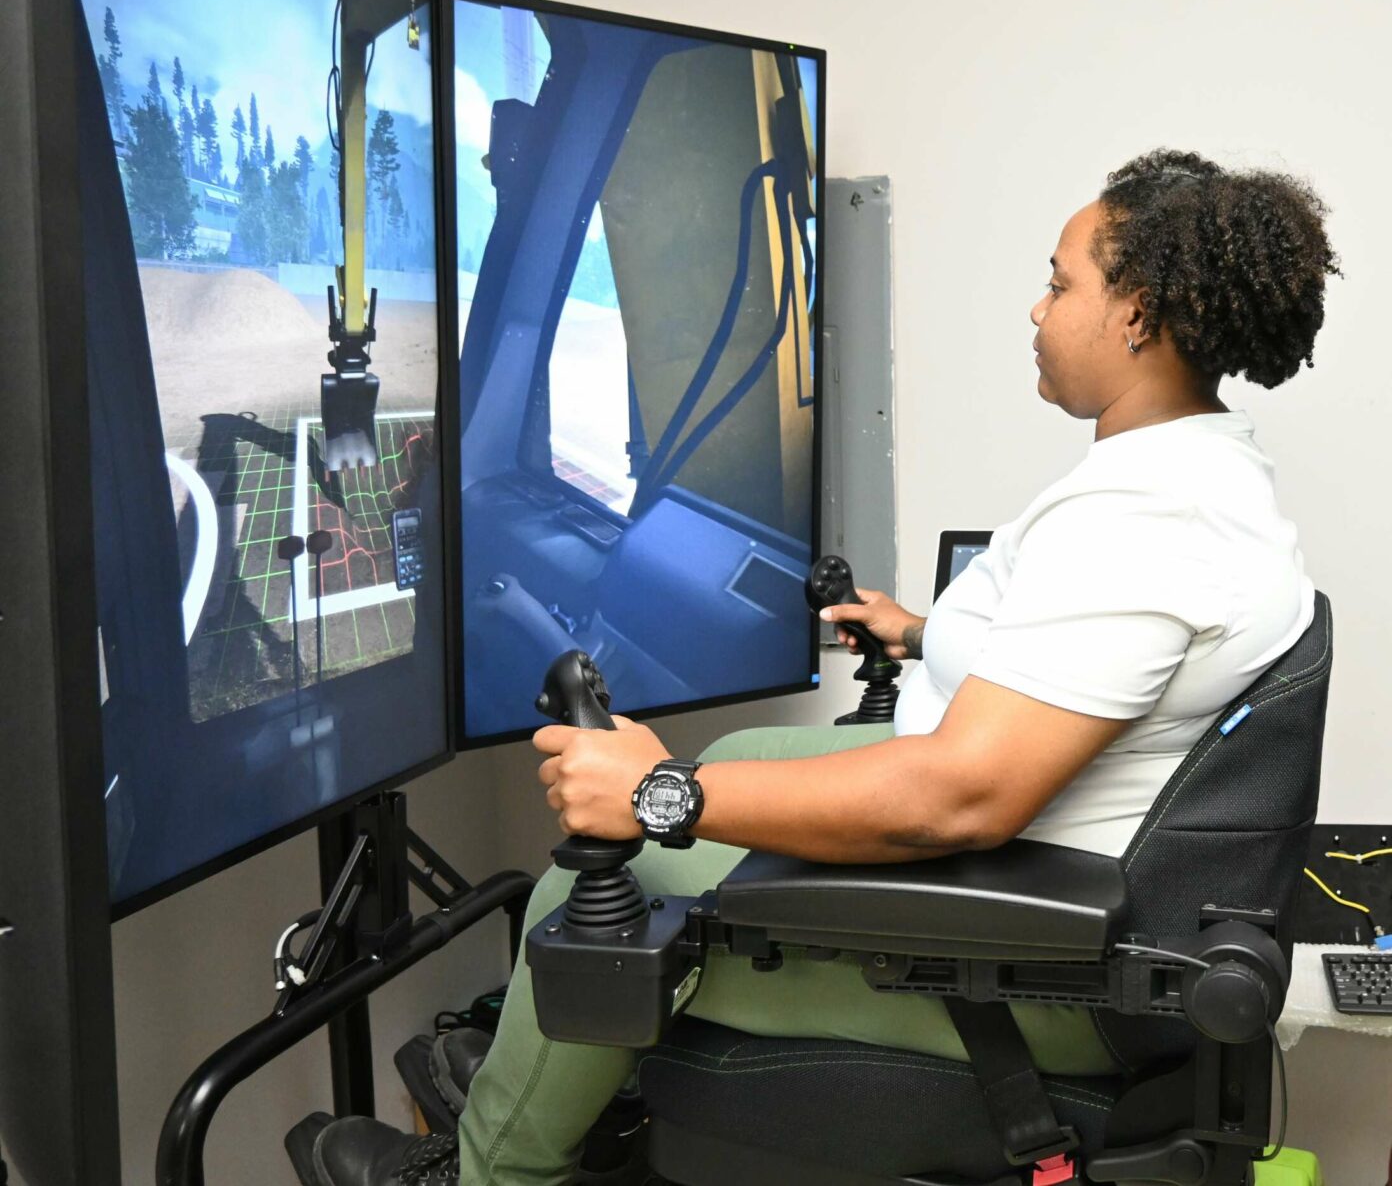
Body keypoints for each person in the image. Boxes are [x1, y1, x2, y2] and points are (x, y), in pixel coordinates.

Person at [299, 148, 1338, 1185]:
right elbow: (1095, 664)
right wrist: (928, 633)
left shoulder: (1148, 515)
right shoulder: (1199, 472)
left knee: (594, 887)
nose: (1037, 308)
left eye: (1061, 283)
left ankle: (488, 1168)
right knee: (753, 746)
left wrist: (664, 794)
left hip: (1037, 974)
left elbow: (965, 793)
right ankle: (555, 1075)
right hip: (1071, 907)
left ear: (1137, 314)